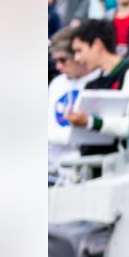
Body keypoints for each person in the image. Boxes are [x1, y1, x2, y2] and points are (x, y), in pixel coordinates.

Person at [63, 19, 129, 157]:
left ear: (97, 45)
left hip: (124, 165)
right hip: (93, 169)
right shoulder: (91, 84)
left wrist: (92, 122)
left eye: (79, 50)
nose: (77, 58)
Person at [47, 26, 100, 179]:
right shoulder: (57, 83)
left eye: (63, 60)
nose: (59, 66)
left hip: (81, 168)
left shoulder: (97, 81)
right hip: (52, 168)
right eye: (55, 60)